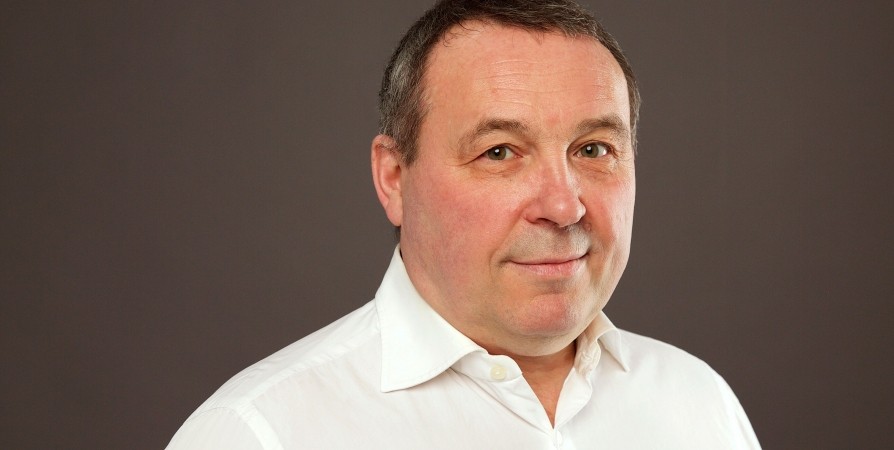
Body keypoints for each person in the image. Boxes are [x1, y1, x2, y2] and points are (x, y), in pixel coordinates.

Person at [168, 0, 761, 448]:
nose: (564, 206)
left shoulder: (698, 404)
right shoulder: (260, 434)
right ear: (394, 178)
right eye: (499, 152)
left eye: (593, 149)